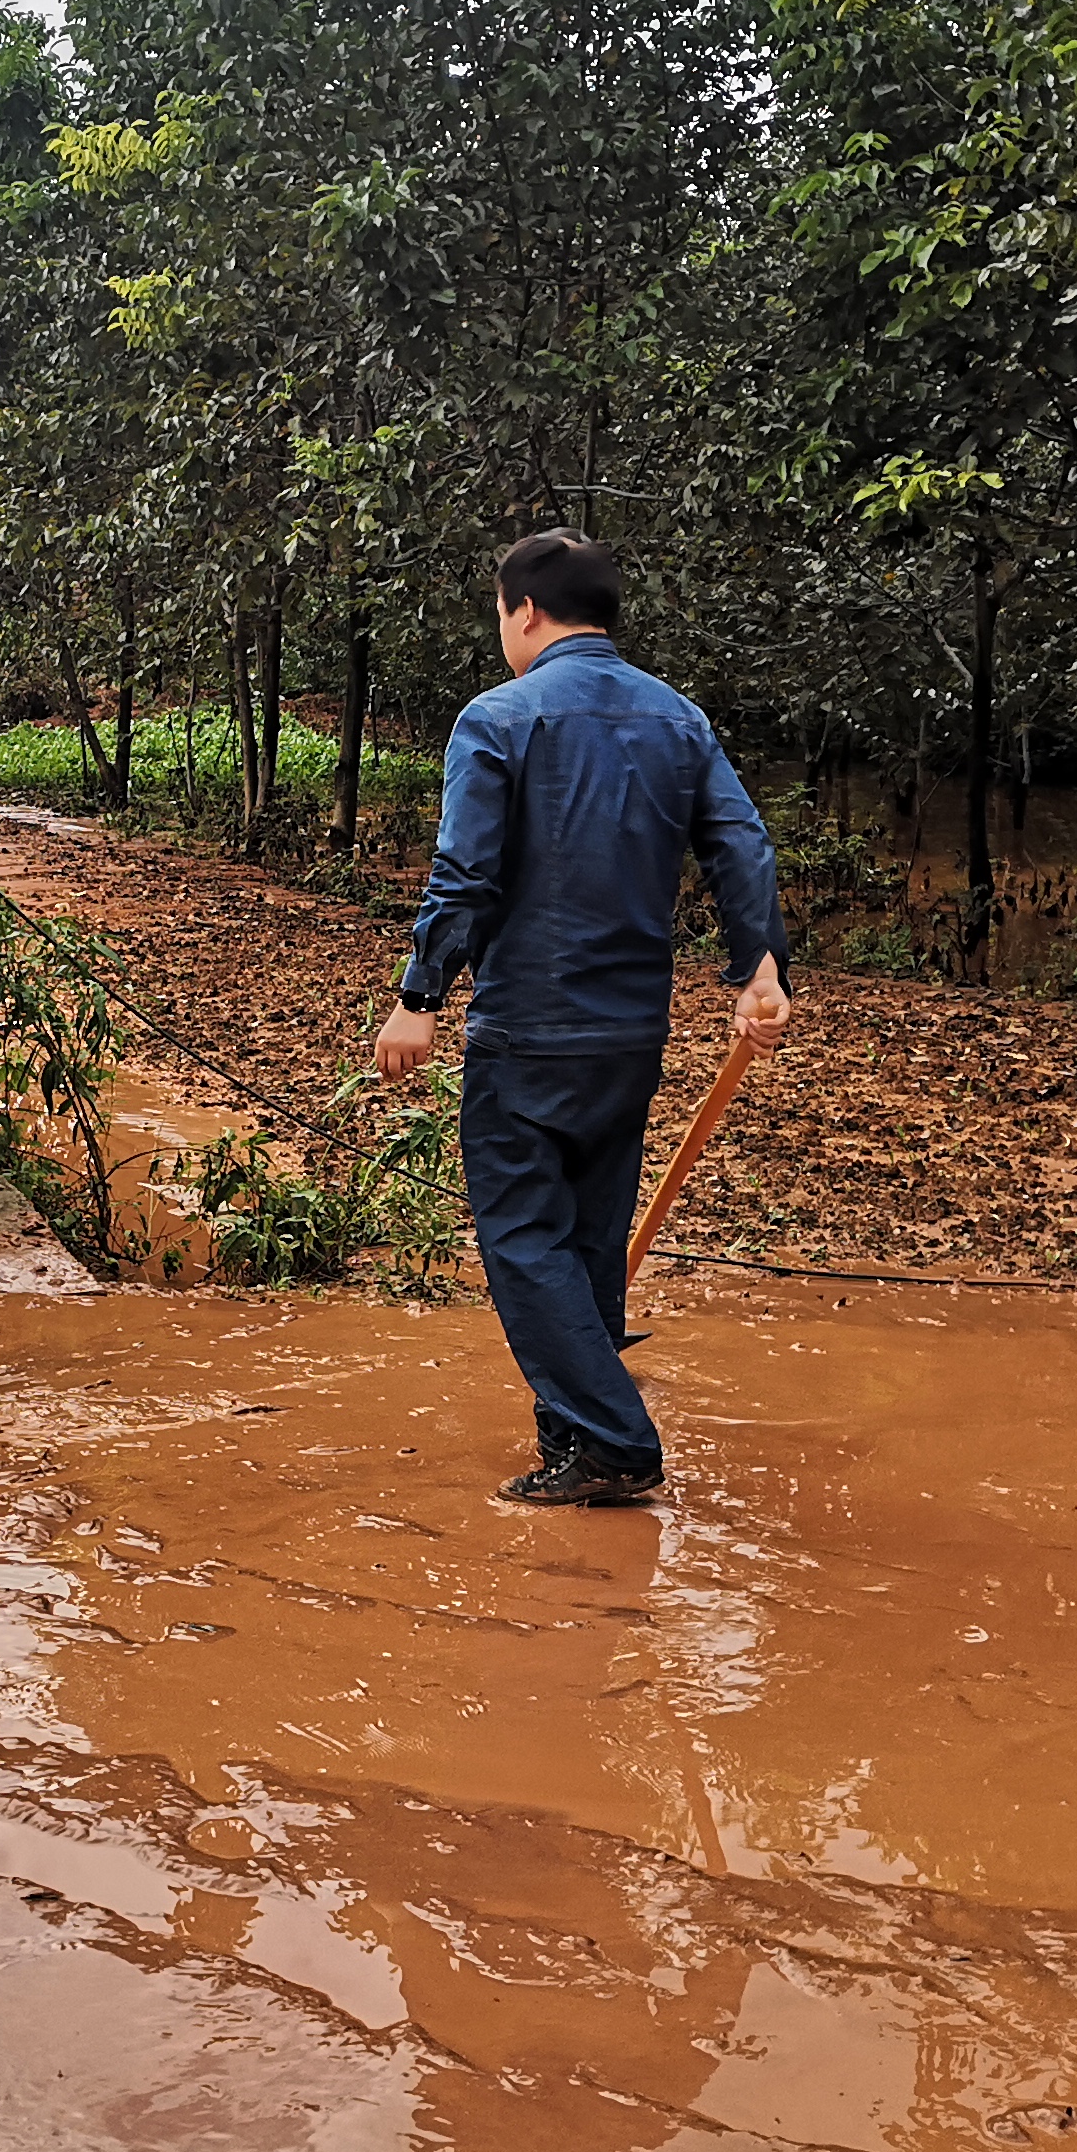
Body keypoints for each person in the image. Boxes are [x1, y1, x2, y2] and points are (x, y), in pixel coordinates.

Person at [374, 530, 787, 1507]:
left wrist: (418, 997)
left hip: (529, 1027)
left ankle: (613, 1442)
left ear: (524, 611)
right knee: (590, 1242)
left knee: (523, 1238)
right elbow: (740, 842)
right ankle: (573, 1441)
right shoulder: (676, 717)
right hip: (630, 1032)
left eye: (499, 614)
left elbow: (465, 873)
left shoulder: (497, 717)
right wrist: (758, 967)